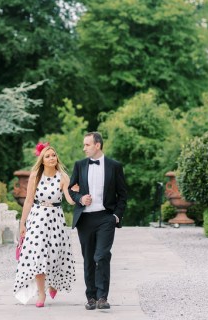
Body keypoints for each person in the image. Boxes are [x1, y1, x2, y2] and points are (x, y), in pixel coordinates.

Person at [68, 131, 128, 310]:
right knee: (88, 259)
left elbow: (123, 195)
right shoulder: (79, 165)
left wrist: (115, 217)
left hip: (105, 218)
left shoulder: (114, 166)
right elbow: (71, 189)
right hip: (85, 219)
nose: (84, 148)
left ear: (97, 145)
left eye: (87, 145)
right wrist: (80, 198)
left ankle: (102, 297)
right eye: (84, 145)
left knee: (101, 256)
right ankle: (91, 297)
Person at [13, 143, 76, 307]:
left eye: (53, 155)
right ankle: (41, 294)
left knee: (55, 256)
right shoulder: (35, 176)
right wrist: (22, 223)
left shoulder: (63, 177)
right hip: (37, 219)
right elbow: (28, 201)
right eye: (47, 156)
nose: (51, 158)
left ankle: (54, 283)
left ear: (57, 158)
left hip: (55, 220)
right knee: (38, 256)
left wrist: (78, 195)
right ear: (42, 160)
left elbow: (69, 199)